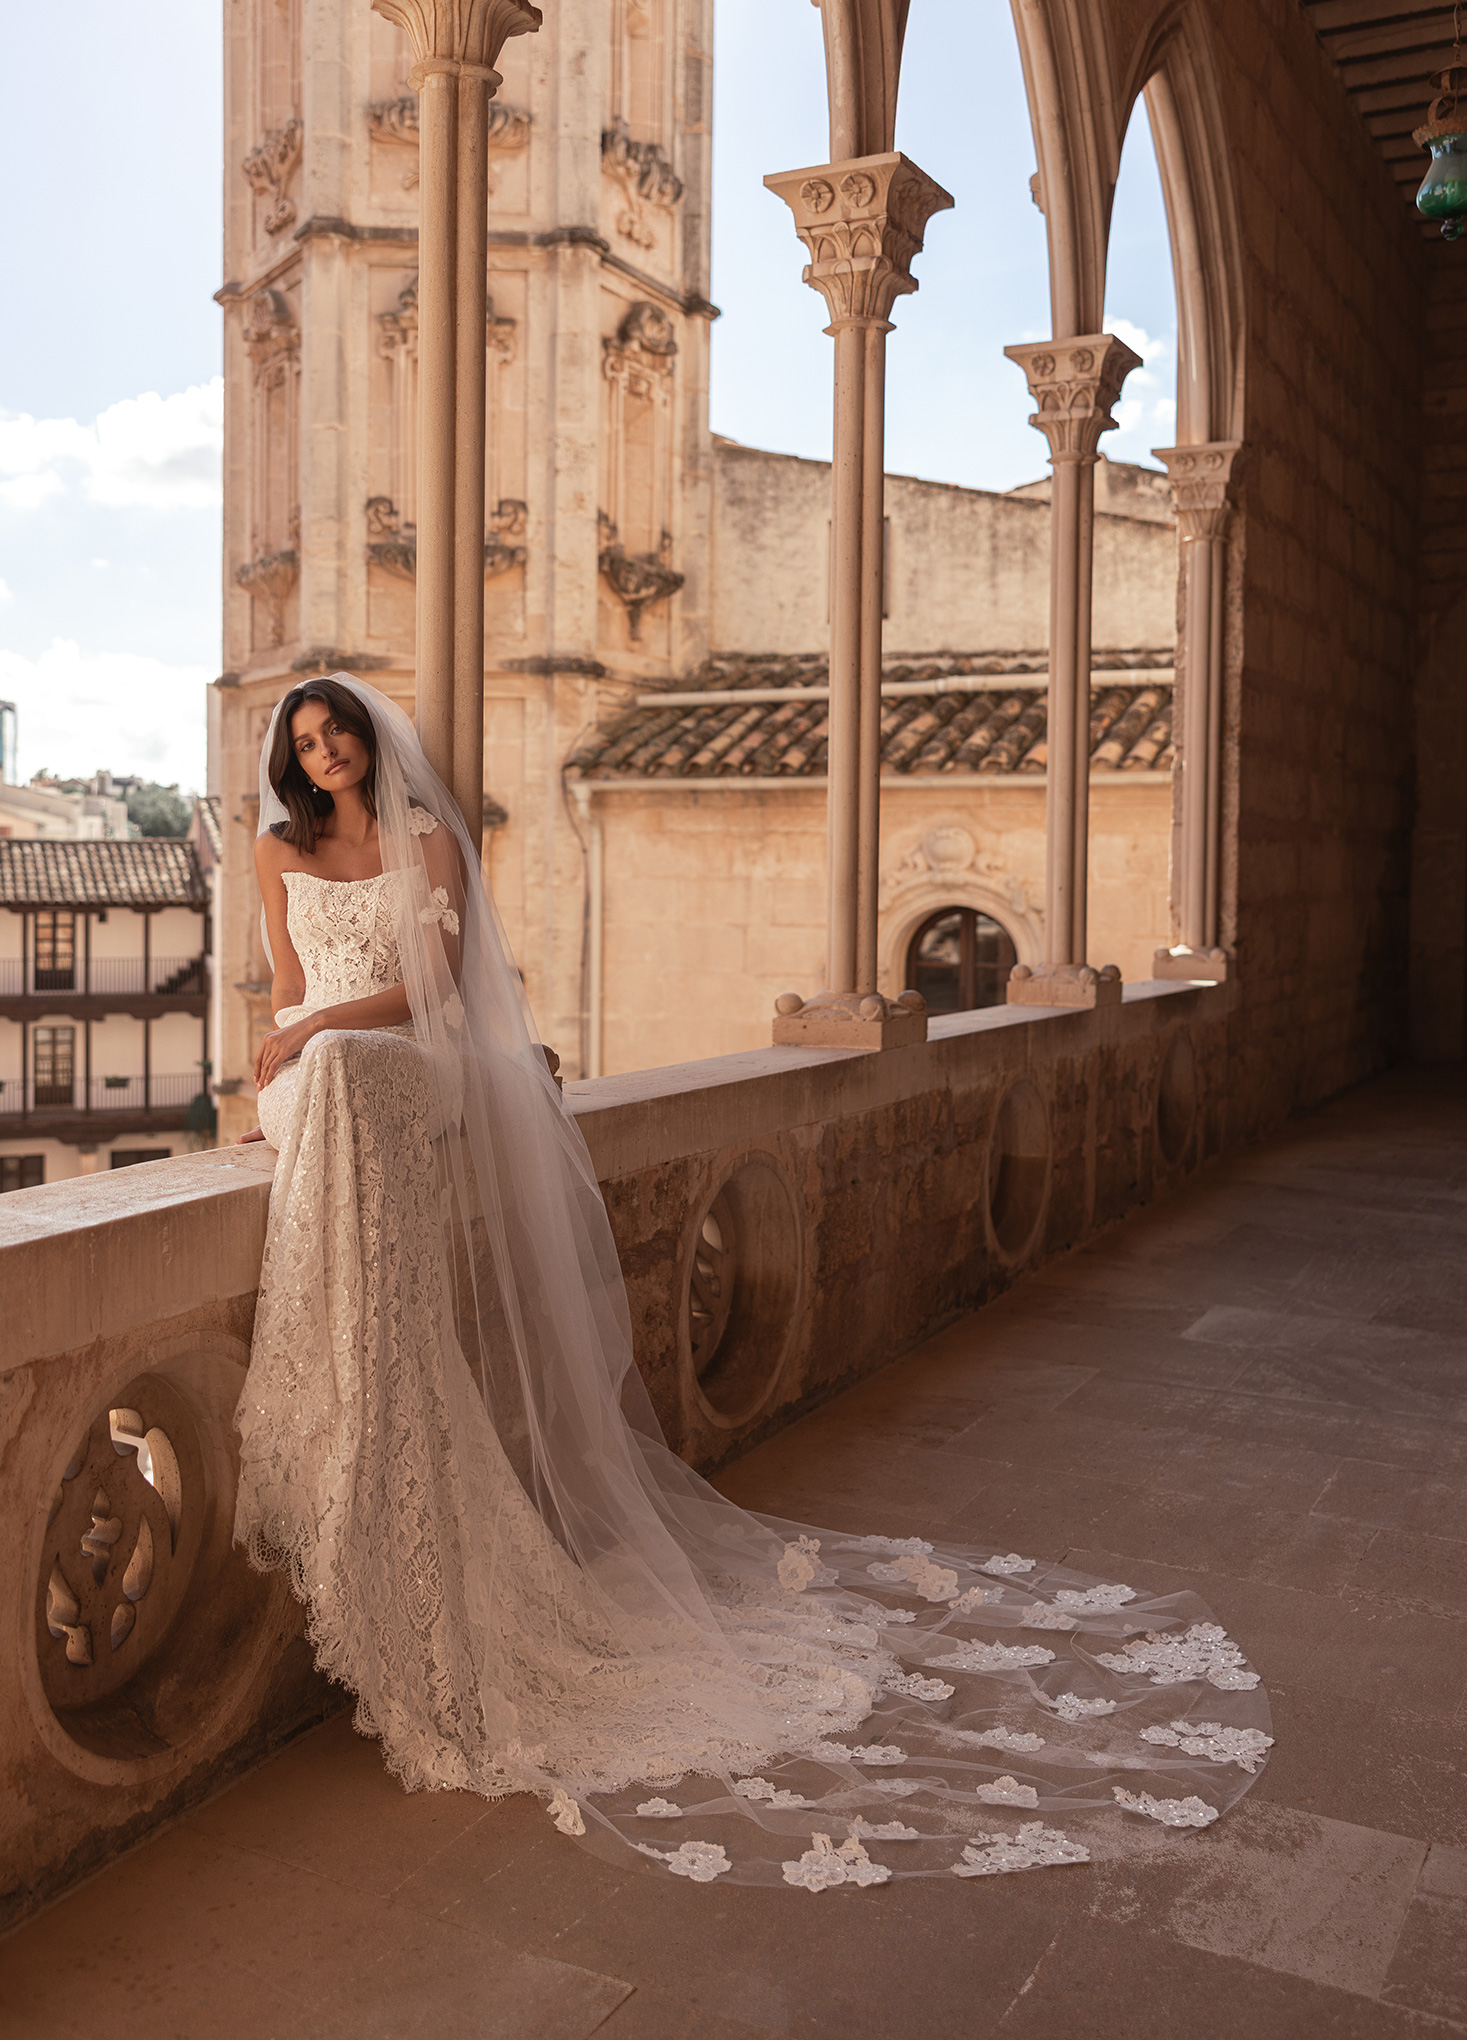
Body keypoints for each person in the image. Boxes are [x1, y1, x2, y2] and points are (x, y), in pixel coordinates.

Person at [234, 673, 1272, 1890]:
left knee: (344, 1071)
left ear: (367, 737)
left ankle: (357, 1372)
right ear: (294, 760)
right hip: (324, 1077)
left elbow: (439, 990)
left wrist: (320, 1031)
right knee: (329, 1084)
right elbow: (284, 988)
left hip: (400, 1062)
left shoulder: (427, 843)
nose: (325, 750)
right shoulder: (277, 849)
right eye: (306, 742)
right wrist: (296, 1044)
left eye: (337, 731)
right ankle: (340, 1352)